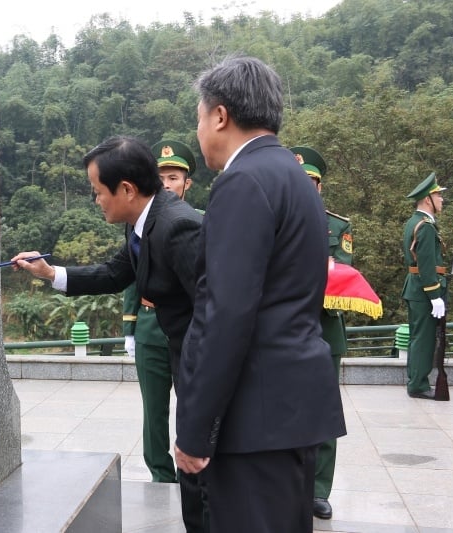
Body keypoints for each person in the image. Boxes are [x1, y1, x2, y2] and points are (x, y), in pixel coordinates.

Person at [174, 55, 347, 533]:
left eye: (199, 117)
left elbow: (226, 313)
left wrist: (195, 430)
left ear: (221, 116)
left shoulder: (243, 181)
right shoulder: (295, 178)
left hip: (255, 418)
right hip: (290, 410)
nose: (199, 131)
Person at [10, 135, 208, 532]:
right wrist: (50, 273)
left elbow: (215, 315)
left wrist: (203, 416)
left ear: (127, 190)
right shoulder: (142, 223)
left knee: (204, 480)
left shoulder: (178, 226)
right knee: (196, 484)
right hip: (185, 357)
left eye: (98, 192)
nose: (96, 200)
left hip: (203, 369)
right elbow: (117, 273)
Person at [122, 140, 198, 484]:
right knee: (153, 410)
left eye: (173, 177)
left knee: (191, 405)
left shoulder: (199, 222)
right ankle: (160, 473)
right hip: (151, 328)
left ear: (187, 183)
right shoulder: (139, 223)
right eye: (161, 177)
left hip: (187, 331)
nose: (166, 184)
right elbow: (130, 275)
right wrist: (130, 327)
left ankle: (190, 472)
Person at [291, 145, 351, 521]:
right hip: (285, 332)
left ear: (319, 186)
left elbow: (342, 275)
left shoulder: (337, 227)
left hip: (325, 328)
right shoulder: (276, 221)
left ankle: (318, 489)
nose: (306, 188)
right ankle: (287, 483)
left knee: (324, 414)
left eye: (311, 182)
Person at [402, 172, 447, 400]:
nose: (441, 200)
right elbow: (427, 264)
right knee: (424, 338)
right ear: (427, 199)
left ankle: (415, 380)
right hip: (424, 289)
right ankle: (419, 385)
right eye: (438, 196)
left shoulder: (414, 222)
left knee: (417, 336)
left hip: (415, 288)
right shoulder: (426, 226)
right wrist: (435, 295)